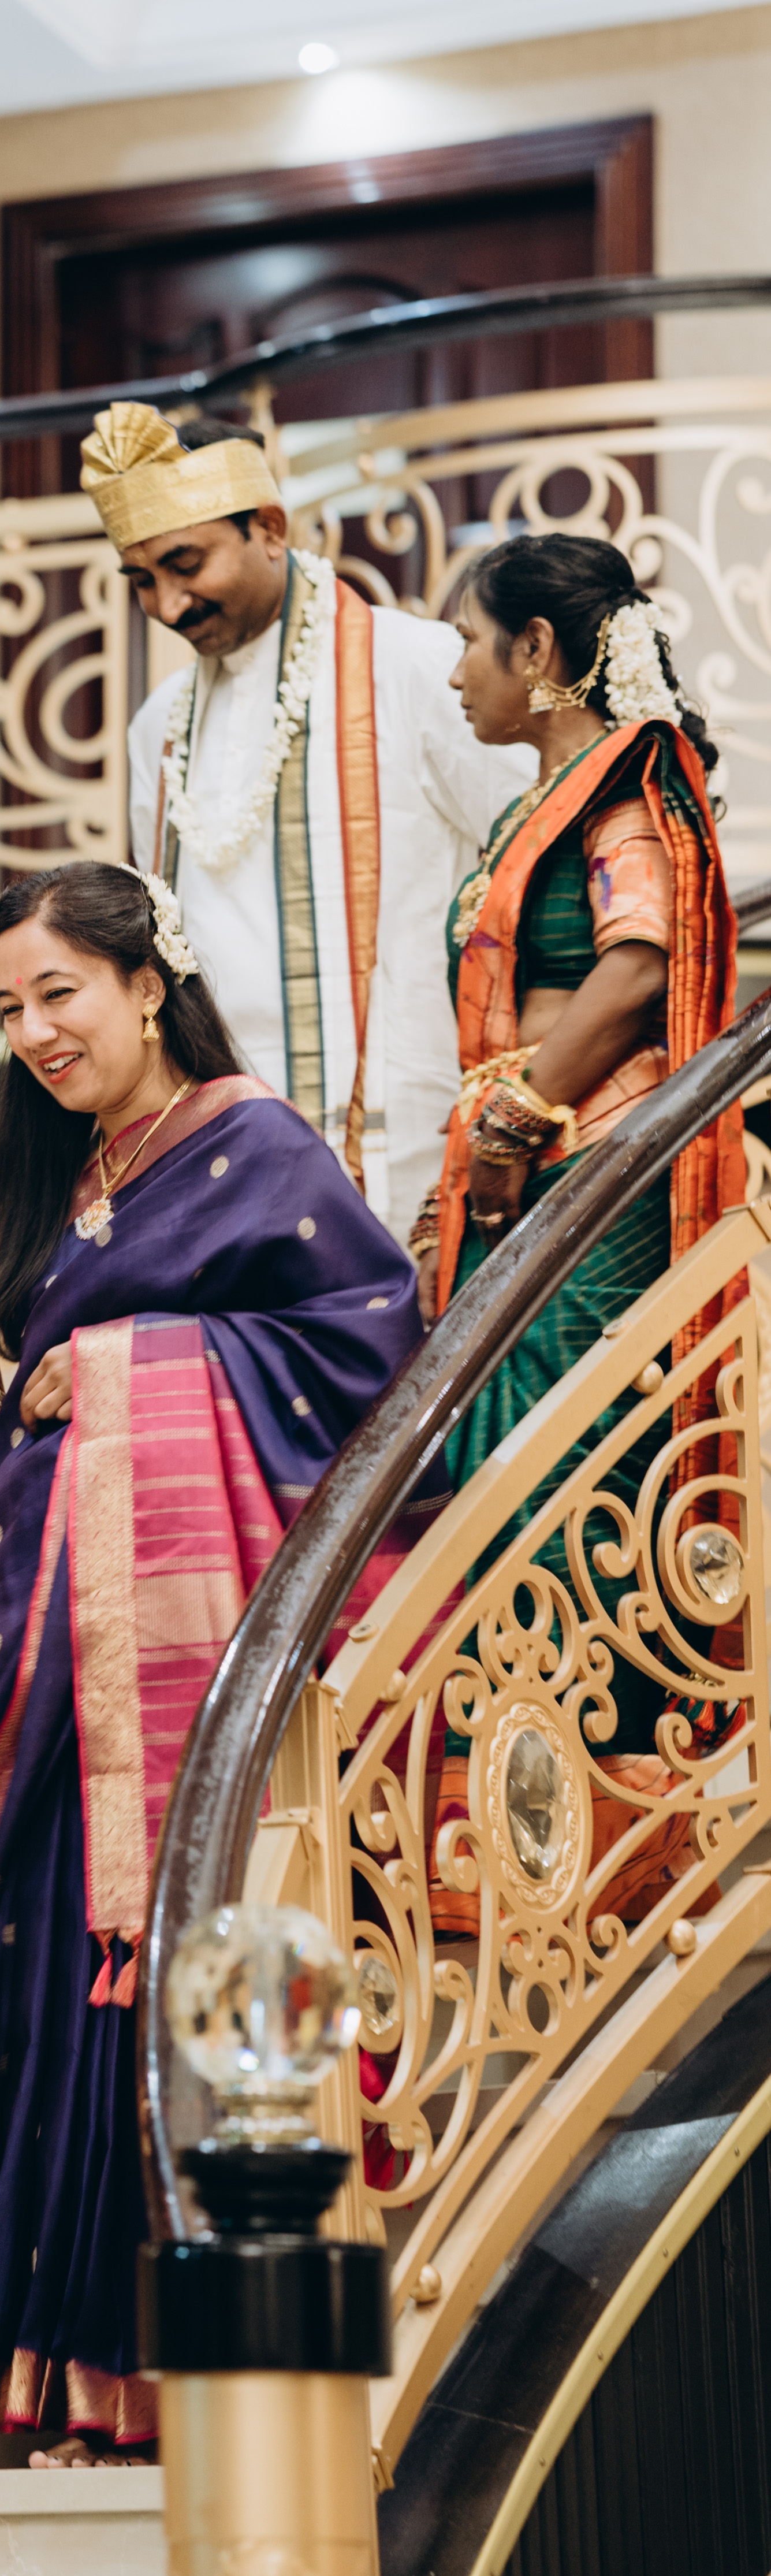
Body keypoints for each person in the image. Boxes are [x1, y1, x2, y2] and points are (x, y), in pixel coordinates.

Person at [0, 863, 423, 2463]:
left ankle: (204, 2397)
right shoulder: (73, 1177)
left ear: (148, 983)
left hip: (185, 1671)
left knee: (182, 1974)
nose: (36, 1032)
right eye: (9, 1008)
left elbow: (366, 1358)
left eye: (62, 993)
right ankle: (63, 2377)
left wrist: (125, 1366)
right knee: (43, 1987)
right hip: (44, 1656)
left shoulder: (257, 1150)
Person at [421, 535, 742, 1913]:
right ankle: (533, 1806)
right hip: (543, 1168)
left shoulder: (623, 786)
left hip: (595, 1167)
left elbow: (638, 962)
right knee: (511, 1465)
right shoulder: (544, 798)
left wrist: (517, 1117)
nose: (456, 672)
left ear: (538, 651)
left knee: (569, 1466)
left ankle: (613, 1812)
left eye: (469, 641)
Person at [87, 398, 523, 1242]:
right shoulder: (159, 724)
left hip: (407, 1138)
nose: (169, 605)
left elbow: (536, 859)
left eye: (186, 563)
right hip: (224, 1157)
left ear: (270, 528)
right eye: (141, 580)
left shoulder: (419, 667)